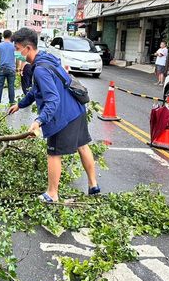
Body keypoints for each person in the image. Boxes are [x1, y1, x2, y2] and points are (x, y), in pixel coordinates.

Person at [8, 27, 100, 202]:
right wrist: (20, 105)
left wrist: (39, 121)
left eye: (17, 48)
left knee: (53, 154)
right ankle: (93, 184)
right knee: (82, 146)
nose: (16, 52)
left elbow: (52, 100)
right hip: (76, 110)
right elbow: (36, 91)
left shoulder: (40, 70)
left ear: (27, 48)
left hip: (63, 116)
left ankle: (52, 193)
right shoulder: (46, 59)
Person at [0, 30, 16, 106]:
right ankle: (12, 102)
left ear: (3, 36)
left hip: (1, 69)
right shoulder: (14, 46)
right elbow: (19, 58)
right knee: (11, 86)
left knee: (0, 85)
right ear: (11, 36)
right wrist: (18, 68)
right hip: (11, 69)